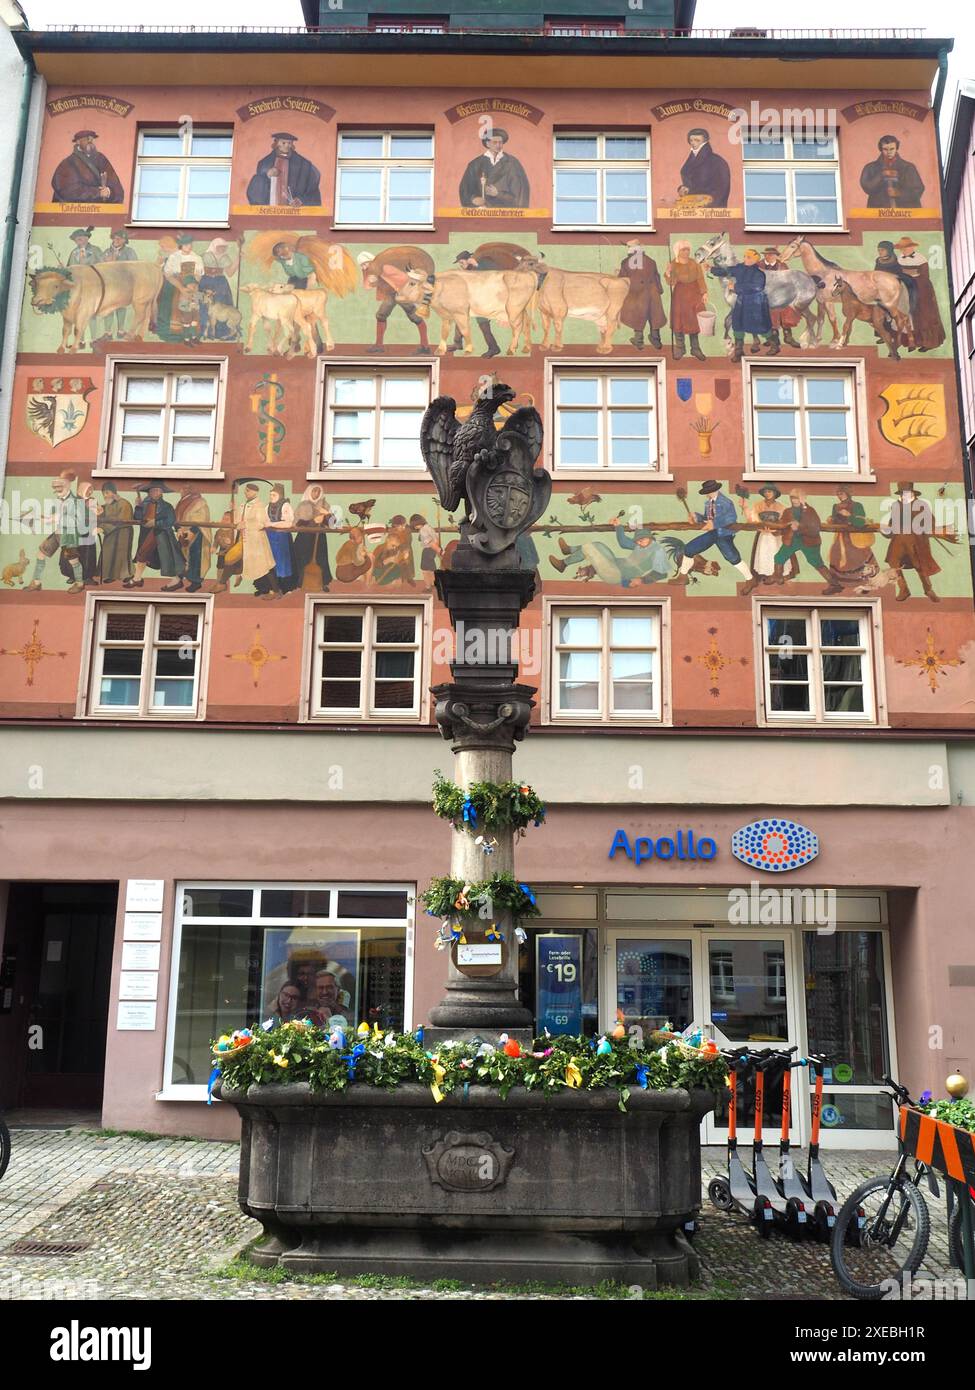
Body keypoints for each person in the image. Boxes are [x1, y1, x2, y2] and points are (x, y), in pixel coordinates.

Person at [758, 488, 841, 595]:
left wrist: (799, 527)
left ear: (802, 499)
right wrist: (773, 531)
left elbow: (815, 528)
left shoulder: (810, 511)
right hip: (792, 540)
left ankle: (835, 584)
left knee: (816, 562)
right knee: (779, 557)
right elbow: (782, 526)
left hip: (809, 541)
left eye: (796, 498)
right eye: (792, 498)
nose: (794, 501)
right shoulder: (788, 511)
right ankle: (777, 577)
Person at [675, 480, 754, 590]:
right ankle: (683, 577)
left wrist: (714, 523)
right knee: (689, 549)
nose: (707, 494)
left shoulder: (726, 502)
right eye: (706, 492)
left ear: (715, 490)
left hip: (724, 534)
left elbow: (731, 519)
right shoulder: (708, 503)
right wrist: (696, 517)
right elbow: (707, 519)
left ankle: (750, 580)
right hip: (714, 533)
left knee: (733, 558)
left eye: (708, 492)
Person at [550, 517, 671, 587]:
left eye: (642, 540)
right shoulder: (640, 546)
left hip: (616, 574)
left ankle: (563, 564)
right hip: (614, 565)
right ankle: (569, 550)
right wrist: (618, 526)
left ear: (650, 538)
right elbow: (624, 543)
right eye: (637, 541)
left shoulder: (657, 551)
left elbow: (662, 573)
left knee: (590, 549)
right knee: (597, 545)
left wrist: (641, 580)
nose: (639, 543)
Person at [357, 247, 433, 355]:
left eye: (365, 264)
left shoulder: (385, 267)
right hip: (391, 294)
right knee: (381, 315)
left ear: (371, 261)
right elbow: (368, 286)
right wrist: (374, 280)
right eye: (362, 266)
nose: (364, 267)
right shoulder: (374, 271)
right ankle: (379, 345)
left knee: (415, 317)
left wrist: (402, 291)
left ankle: (425, 346)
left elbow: (403, 278)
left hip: (401, 293)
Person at [26, 469, 92, 593]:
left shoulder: (77, 502)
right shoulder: (57, 502)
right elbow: (50, 519)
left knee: (73, 560)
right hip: (58, 533)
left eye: (59, 488)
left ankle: (79, 583)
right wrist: (38, 517)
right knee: (41, 553)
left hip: (70, 535)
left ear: (67, 486)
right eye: (56, 489)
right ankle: (36, 582)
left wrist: (61, 518)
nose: (57, 491)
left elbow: (82, 522)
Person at [710, 248, 777, 360]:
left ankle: (774, 346)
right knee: (737, 325)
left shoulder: (759, 274)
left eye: (748, 257)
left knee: (762, 326)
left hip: (756, 303)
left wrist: (735, 287)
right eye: (745, 256)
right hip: (742, 301)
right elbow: (727, 270)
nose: (745, 258)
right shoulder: (740, 268)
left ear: (755, 260)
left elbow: (757, 287)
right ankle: (739, 351)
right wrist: (711, 269)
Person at [882, 482, 940, 603]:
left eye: (907, 493)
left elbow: (931, 521)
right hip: (898, 540)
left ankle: (928, 589)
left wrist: (922, 528)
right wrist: (886, 530)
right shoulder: (896, 505)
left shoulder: (921, 505)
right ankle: (904, 589)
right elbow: (892, 523)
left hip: (916, 541)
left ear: (912, 493)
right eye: (902, 493)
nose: (904, 495)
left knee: (919, 565)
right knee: (894, 563)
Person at [127, 481, 184, 589]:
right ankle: (137, 579)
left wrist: (156, 523)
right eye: (152, 490)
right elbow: (137, 518)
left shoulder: (167, 507)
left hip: (162, 535)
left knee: (165, 558)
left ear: (162, 492)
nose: (154, 492)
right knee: (143, 555)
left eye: (157, 490)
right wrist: (138, 507)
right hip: (146, 534)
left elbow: (170, 521)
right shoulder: (144, 504)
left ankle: (176, 580)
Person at [893, 236, 945, 352]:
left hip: (922, 289)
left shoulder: (920, 258)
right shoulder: (899, 258)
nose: (904, 250)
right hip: (906, 288)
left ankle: (930, 342)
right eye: (902, 248)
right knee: (909, 314)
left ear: (912, 247)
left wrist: (910, 276)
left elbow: (924, 276)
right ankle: (914, 341)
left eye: (906, 248)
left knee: (925, 315)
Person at [459, 127, 530, 209]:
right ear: (487, 143)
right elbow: (465, 189)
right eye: (495, 142)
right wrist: (473, 199)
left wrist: (498, 194)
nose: (498, 145)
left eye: (500, 142)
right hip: (482, 211)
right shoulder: (475, 164)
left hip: (506, 212)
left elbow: (521, 193)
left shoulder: (512, 163)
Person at [246, 132, 321, 207]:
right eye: (283, 143)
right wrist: (267, 175)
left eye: (289, 143)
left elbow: (314, 183)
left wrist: (302, 200)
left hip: (294, 209)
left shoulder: (303, 164)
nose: (287, 146)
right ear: (277, 143)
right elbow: (256, 188)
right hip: (270, 208)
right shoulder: (264, 163)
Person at [664, 240, 708, 361]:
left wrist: (704, 292)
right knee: (678, 321)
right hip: (680, 295)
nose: (686, 251)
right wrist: (668, 273)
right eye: (683, 249)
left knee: (694, 321)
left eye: (688, 249)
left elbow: (700, 278)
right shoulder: (673, 264)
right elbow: (671, 282)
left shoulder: (695, 263)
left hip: (694, 294)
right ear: (678, 251)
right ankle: (680, 348)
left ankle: (695, 348)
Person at [51, 130, 123, 204]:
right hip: (74, 210)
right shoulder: (67, 163)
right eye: (87, 139)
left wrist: (109, 192)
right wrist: (98, 193)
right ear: (78, 142)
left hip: (100, 211)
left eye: (92, 139)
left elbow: (116, 186)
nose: (90, 141)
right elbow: (69, 190)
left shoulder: (101, 159)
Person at [618, 240, 666, 351]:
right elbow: (656, 277)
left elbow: (623, 279)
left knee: (638, 316)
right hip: (653, 292)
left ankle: (639, 341)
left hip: (637, 293)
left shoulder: (625, 262)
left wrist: (617, 275)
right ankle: (656, 340)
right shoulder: (651, 261)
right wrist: (659, 290)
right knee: (654, 316)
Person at [156, 233, 203, 343]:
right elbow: (168, 275)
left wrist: (193, 286)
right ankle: (176, 335)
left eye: (190, 244)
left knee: (193, 312)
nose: (189, 246)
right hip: (175, 286)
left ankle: (192, 336)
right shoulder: (174, 257)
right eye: (186, 244)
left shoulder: (196, 257)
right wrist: (181, 288)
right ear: (181, 245)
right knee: (175, 309)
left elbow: (199, 275)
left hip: (192, 287)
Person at [234, 482, 278, 597]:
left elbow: (261, 523)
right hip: (245, 540)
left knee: (263, 567)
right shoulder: (243, 505)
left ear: (255, 492)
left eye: (248, 491)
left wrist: (246, 524)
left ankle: (274, 591)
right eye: (245, 490)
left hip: (257, 541)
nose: (245, 493)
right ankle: (262, 588)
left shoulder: (258, 506)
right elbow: (237, 520)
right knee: (252, 567)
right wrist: (234, 510)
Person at [828, 486, 876, 587]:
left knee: (858, 557)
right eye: (838, 493)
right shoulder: (835, 506)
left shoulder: (857, 505)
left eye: (841, 493)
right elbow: (834, 522)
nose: (839, 496)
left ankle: (864, 584)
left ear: (847, 493)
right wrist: (831, 520)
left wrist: (848, 516)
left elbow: (861, 522)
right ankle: (837, 584)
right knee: (835, 556)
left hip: (855, 537)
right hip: (840, 537)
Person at [859, 135, 925, 209]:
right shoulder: (870, 168)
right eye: (885, 149)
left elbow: (918, 190)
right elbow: (867, 187)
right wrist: (881, 175)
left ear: (897, 148)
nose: (889, 152)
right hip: (879, 213)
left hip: (906, 213)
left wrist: (899, 193)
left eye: (892, 149)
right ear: (880, 149)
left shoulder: (908, 167)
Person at [740, 483, 787, 579]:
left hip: (776, 535)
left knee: (775, 553)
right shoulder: (758, 505)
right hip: (763, 534)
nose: (767, 494)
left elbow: (784, 521)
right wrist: (745, 507)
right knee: (763, 553)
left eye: (769, 491)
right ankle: (765, 574)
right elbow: (752, 520)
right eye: (765, 492)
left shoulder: (780, 507)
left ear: (774, 493)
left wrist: (775, 529)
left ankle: (776, 574)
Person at [759, 247, 802, 349]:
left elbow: (788, 279)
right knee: (771, 318)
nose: (769, 256)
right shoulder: (758, 265)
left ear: (776, 256)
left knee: (786, 315)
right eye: (767, 254)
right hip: (765, 296)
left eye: (772, 255)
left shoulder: (782, 266)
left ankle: (788, 337)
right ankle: (774, 341)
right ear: (765, 255)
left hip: (781, 295)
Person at [677, 128, 731, 208]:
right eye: (691, 140)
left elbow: (721, 190)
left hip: (710, 209)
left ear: (705, 141)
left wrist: (691, 191)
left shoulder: (717, 162)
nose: (693, 143)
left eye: (697, 140)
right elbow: (690, 182)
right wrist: (683, 188)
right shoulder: (690, 161)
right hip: (691, 207)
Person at [199, 237, 239, 341]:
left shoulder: (225, 257)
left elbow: (230, 273)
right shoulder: (205, 256)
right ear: (214, 246)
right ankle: (203, 331)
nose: (221, 249)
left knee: (222, 306)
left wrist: (238, 259)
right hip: (206, 281)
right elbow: (198, 271)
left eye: (223, 247)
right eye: (219, 247)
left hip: (221, 283)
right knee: (203, 305)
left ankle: (221, 332)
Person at [174, 484, 211, 593]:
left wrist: (192, 531)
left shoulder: (199, 502)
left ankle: (196, 582)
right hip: (183, 532)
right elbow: (176, 517)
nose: (183, 490)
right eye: (182, 488)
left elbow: (201, 518)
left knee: (196, 557)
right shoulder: (181, 502)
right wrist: (178, 529)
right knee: (180, 554)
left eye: (186, 488)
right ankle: (179, 578)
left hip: (198, 533)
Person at [96, 480, 134, 585]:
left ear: (112, 492)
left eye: (106, 493)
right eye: (103, 494)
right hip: (110, 533)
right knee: (108, 553)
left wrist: (103, 528)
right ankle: (110, 575)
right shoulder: (107, 505)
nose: (104, 496)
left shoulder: (124, 504)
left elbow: (121, 521)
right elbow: (102, 518)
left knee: (121, 554)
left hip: (123, 533)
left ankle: (126, 575)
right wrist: (99, 514)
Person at [265, 484, 299, 594]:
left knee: (284, 563)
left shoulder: (286, 506)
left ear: (280, 495)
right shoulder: (267, 506)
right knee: (271, 562)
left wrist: (272, 524)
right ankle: (274, 587)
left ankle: (286, 588)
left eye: (274, 494)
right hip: (270, 537)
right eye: (270, 494)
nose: (271, 497)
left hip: (282, 537)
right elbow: (264, 521)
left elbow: (289, 523)